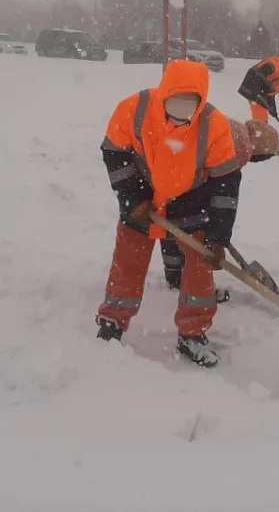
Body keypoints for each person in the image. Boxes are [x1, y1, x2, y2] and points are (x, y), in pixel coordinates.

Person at [96, 59, 243, 367]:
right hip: (144, 198)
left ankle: (193, 333)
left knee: (199, 268)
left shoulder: (214, 125)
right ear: (163, 94)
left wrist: (218, 238)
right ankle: (112, 321)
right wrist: (133, 199)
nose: (180, 113)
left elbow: (225, 186)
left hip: (191, 199)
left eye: (190, 105)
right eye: (174, 103)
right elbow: (114, 152)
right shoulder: (134, 108)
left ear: (201, 102)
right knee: (128, 261)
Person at [157, 118, 279, 302]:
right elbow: (225, 197)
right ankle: (197, 291)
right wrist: (218, 240)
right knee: (196, 236)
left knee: (171, 224)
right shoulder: (240, 148)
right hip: (186, 183)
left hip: (167, 170)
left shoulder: (231, 126)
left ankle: (175, 276)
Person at [238, 53, 279, 123]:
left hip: (259, 87)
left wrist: (272, 107)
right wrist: (257, 87)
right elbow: (264, 69)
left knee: (260, 112)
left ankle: (260, 126)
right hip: (253, 81)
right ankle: (259, 127)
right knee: (259, 110)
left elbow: (270, 92)